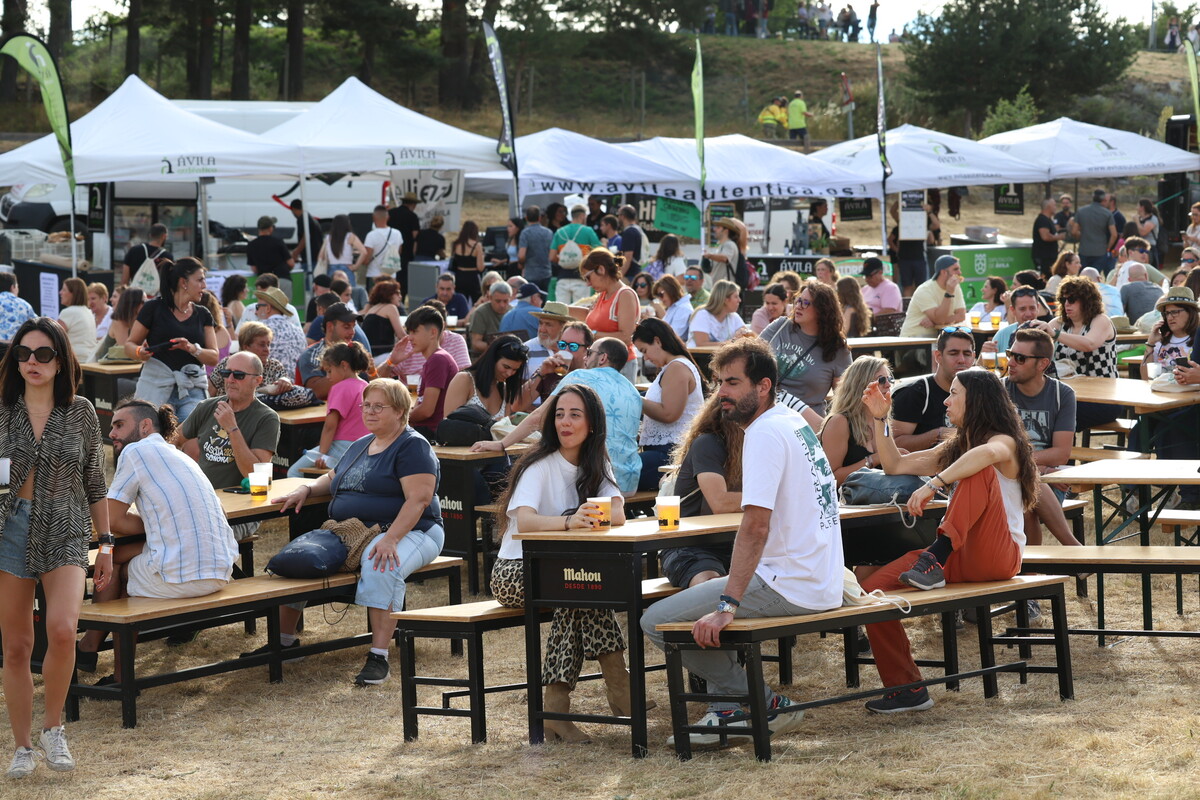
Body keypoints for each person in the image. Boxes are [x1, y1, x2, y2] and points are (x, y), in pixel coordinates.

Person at [640, 337, 841, 745]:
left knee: (655, 622)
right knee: (703, 601)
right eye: (717, 383)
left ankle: (764, 705)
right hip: (817, 578)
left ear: (763, 386)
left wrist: (726, 606)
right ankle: (729, 715)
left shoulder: (765, 433)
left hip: (790, 582)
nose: (720, 395)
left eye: (732, 383)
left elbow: (755, 527)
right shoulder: (793, 422)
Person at [858, 367, 1040, 713]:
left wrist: (934, 483)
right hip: (956, 557)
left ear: (977, 401)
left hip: (997, 557)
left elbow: (986, 456)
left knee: (978, 467)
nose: (946, 399)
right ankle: (907, 689)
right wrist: (883, 420)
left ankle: (934, 557)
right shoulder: (959, 447)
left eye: (954, 393)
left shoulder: (1004, 442)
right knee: (873, 594)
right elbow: (894, 465)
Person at [274, 379, 444, 686]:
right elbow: (332, 476)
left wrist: (391, 539)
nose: (370, 411)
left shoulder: (412, 445)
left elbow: (418, 500)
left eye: (379, 406)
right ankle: (285, 643)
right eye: (366, 405)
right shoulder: (360, 444)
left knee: (380, 562)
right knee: (296, 558)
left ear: (401, 410)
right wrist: (306, 488)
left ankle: (379, 657)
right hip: (351, 531)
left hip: (412, 530)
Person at [488, 384, 631, 741]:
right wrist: (571, 520)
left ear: (592, 424)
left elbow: (618, 513)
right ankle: (621, 688)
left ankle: (556, 710)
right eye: (560, 414)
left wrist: (592, 513)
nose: (565, 422)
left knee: (578, 590)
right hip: (512, 571)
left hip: (559, 571)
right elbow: (524, 520)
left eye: (575, 415)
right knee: (577, 587)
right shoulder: (539, 463)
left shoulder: (596, 460)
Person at [0, 318, 108, 777]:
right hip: (10, 528)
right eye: (24, 354)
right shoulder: (2, 412)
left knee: (63, 630)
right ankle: (23, 745)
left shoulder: (80, 410)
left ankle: (53, 728)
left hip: (66, 526)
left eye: (43, 354)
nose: (32, 363)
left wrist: (105, 544)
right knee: (17, 646)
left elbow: (95, 481)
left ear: (61, 360)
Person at [75, 399, 239, 679]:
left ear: (145, 426)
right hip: (221, 571)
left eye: (119, 425)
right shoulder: (181, 456)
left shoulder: (137, 451)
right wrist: (156, 523)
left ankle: (117, 674)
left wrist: (152, 524)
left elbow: (111, 520)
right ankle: (90, 647)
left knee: (117, 566)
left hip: (181, 578)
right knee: (116, 556)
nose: (112, 433)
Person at [476, 331, 644, 494]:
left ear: (602, 358)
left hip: (595, 482)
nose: (585, 357)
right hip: (629, 482)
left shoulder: (580, 376)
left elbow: (538, 417)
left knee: (526, 468)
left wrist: (502, 444)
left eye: (590, 352)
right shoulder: (632, 390)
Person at [1002, 328, 1082, 554]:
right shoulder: (999, 390)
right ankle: (1073, 551)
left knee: (1025, 493)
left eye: (1020, 358)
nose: (1011, 362)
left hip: (1048, 481)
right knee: (1024, 492)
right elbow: (990, 448)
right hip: (1012, 475)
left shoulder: (1062, 394)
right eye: (1010, 354)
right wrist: (1038, 466)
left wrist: (1030, 465)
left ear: (1042, 364)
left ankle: (1030, 571)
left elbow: (1061, 453)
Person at [658, 393, 745, 589]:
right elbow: (720, 502)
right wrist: (771, 497)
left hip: (739, 545)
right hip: (690, 547)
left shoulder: (760, 446)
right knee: (712, 587)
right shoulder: (708, 443)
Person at [126, 258, 219, 422]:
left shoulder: (203, 314)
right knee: (153, 434)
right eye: (200, 280)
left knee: (190, 435)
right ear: (184, 282)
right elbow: (130, 345)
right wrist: (139, 352)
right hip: (156, 386)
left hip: (191, 388)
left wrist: (192, 348)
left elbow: (213, 357)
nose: (204, 286)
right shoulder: (153, 308)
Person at [178, 350, 280, 490]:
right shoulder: (207, 407)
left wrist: (232, 428)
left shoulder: (267, 418)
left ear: (257, 381)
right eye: (226, 373)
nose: (230, 380)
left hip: (239, 503)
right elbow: (172, 440)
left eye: (239, 375)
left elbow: (255, 475)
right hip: (204, 496)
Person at [1032, 276, 1119, 429]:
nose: (1067, 304)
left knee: (1054, 413)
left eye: (1072, 299)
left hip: (1104, 399)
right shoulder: (1059, 323)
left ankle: (1058, 451)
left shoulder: (1100, 320)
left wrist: (1055, 334)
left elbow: (1089, 344)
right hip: (1070, 396)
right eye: (1063, 299)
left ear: (1087, 301)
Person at [760, 278, 851, 416]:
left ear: (822, 310)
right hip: (769, 411)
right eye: (798, 300)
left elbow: (844, 398)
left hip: (807, 420)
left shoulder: (838, 348)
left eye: (806, 303)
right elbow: (752, 357)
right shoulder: (781, 326)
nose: (799, 306)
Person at [633, 318, 704, 490]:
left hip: (670, 453)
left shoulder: (677, 367)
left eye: (645, 350)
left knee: (616, 475)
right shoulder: (672, 367)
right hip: (663, 451)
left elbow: (669, 414)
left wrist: (633, 398)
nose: (646, 357)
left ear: (657, 341)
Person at [287, 343, 371, 477]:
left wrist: (322, 454)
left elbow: (329, 427)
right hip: (365, 448)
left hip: (342, 447)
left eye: (329, 371)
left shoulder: (339, 387)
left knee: (293, 473)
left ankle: (299, 497)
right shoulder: (366, 386)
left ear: (344, 365)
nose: (327, 376)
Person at [891, 326, 975, 451]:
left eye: (967, 354)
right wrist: (938, 435)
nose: (961, 360)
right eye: (953, 353)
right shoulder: (914, 393)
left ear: (974, 357)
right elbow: (894, 444)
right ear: (938, 356)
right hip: (921, 467)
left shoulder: (979, 391)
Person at [819, 356, 892, 484]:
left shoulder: (881, 419)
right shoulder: (839, 422)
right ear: (861, 385)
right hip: (846, 501)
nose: (888, 384)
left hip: (878, 499)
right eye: (881, 380)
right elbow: (829, 478)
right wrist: (874, 459)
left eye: (889, 379)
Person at [577, 249, 640, 376]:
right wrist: (558, 309)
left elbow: (626, 337)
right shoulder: (603, 294)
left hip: (620, 366)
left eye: (588, 277)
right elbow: (588, 316)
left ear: (601, 269)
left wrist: (592, 334)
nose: (588, 284)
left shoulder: (625, 294)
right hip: (600, 364)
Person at [209, 321, 295, 400]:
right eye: (262, 345)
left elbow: (285, 383)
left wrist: (285, 381)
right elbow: (209, 394)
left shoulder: (274, 366)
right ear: (246, 347)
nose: (267, 350)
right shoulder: (228, 364)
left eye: (268, 344)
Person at [298, 302, 359, 401]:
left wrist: (389, 362)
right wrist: (346, 369)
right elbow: (315, 391)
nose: (352, 332)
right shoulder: (311, 354)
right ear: (330, 326)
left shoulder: (355, 350)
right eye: (347, 327)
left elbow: (373, 383)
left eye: (353, 326)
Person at [900, 254, 966, 339]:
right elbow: (940, 320)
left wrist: (935, 322)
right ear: (944, 272)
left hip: (936, 340)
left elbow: (961, 316)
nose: (960, 273)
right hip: (913, 340)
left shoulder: (955, 287)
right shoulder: (925, 290)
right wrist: (949, 293)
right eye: (955, 269)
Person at [550, 205, 603, 304]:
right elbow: (599, 252)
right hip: (581, 278)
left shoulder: (559, 232)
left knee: (561, 314)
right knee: (580, 312)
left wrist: (564, 261)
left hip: (562, 278)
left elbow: (552, 257)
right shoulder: (588, 231)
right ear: (583, 216)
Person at [253, 286, 307, 377]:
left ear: (268, 308)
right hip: (296, 386)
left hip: (269, 385)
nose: (255, 312)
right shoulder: (299, 331)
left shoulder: (260, 329)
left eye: (258, 307)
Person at [356, 205, 403, 295]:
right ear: (388, 217)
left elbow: (366, 260)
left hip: (374, 275)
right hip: (391, 274)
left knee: (374, 303)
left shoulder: (371, 235)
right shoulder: (397, 234)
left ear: (373, 218)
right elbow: (399, 252)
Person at [246, 216, 296, 299]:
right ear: (270, 228)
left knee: (267, 309)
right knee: (284, 309)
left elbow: (254, 269)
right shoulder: (278, 242)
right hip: (282, 278)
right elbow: (291, 263)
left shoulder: (251, 245)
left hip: (264, 283)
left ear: (259, 229)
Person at [981, 286, 1041, 355]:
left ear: (1038, 308)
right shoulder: (1002, 335)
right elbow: (986, 364)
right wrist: (983, 354)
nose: (1028, 314)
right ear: (1013, 310)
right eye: (1022, 309)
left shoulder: (1047, 333)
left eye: (1032, 308)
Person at [687, 280, 748, 348]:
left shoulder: (733, 316)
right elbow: (701, 344)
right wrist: (732, 342)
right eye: (736, 296)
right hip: (699, 357)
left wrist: (744, 333)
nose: (739, 300)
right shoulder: (702, 315)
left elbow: (751, 337)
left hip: (722, 357)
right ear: (725, 299)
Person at [1069, 189, 1118, 272]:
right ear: (1103, 200)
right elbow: (1114, 234)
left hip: (1084, 250)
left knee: (1083, 277)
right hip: (1100, 251)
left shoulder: (1081, 211)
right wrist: (1107, 248)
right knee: (1095, 276)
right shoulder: (1107, 213)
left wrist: (1081, 237)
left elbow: (1074, 231)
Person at [523, 301, 572, 376]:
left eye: (548, 325)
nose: (542, 329)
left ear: (563, 327)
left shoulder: (572, 348)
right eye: (541, 323)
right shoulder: (527, 349)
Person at [359, 279, 406, 357]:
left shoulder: (372, 309)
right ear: (389, 294)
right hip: (382, 356)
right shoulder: (390, 307)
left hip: (369, 357)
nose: (400, 297)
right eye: (397, 293)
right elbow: (401, 336)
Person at [120, 222, 173, 287]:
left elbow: (124, 280)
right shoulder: (167, 256)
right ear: (164, 236)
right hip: (156, 295)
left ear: (150, 235)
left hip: (135, 294)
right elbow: (168, 282)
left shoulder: (134, 251)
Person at [467, 281, 513, 356]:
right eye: (498, 301)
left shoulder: (513, 312)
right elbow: (476, 343)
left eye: (505, 301)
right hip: (486, 356)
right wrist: (499, 348)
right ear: (490, 298)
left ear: (510, 299)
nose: (502, 305)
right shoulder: (480, 313)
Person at [56, 277, 96, 364]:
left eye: (64, 290)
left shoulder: (68, 312)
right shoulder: (88, 311)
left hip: (75, 361)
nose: (60, 292)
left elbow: (55, 337)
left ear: (73, 293)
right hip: (90, 360)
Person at [388, 191, 422, 284]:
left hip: (388, 253)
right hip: (406, 254)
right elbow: (415, 235)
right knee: (403, 281)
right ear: (413, 204)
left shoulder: (390, 213)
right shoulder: (413, 216)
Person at [447, 220, 486, 302]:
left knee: (460, 301)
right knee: (477, 302)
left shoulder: (456, 244)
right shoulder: (477, 245)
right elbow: (480, 268)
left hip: (459, 276)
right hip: (472, 277)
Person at [518, 205, 554, 292]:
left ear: (526, 218)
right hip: (546, 273)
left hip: (531, 273)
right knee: (546, 301)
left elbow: (521, 255)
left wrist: (521, 264)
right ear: (539, 218)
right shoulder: (549, 232)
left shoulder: (525, 233)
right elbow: (552, 253)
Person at [1031, 197, 1067, 277]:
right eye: (1054, 205)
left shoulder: (1049, 220)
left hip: (1050, 257)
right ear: (1048, 207)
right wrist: (1060, 237)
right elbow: (1045, 237)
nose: (1056, 207)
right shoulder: (1042, 220)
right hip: (1043, 257)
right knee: (1044, 279)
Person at [288, 199, 324, 275]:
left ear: (293, 209)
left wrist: (296, 252)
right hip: (316, 256)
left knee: (308, 282)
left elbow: (306, 237)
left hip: (310, 258)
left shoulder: (302, 219)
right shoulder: (311, 218)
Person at [0, 272, 37, 343]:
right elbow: (36, 324)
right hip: (14, 346)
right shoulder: (25, 305)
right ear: (12, 287)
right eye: (17, 286)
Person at [705, 219, 742, 285]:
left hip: (725, 287)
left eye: (718, 227)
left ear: (726, 231)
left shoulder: (729, 244)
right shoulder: (720, 246)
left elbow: (724, 258)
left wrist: (709, 256)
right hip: (719, 286)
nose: (714, 229)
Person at [616, 205, 646, 277]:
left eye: (618, 215)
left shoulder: (629, 232)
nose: (618, 218)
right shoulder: (637, 229)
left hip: (630, 274)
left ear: (623, 216)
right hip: (636, 271)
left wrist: (619, 276)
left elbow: (628, 257)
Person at [1136, 198, 1163, 269]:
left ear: (1142, 207)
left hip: (1149, 248)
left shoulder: (1152, 219)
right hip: (1139, 247)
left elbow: (1143, 232)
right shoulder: (1140, 219)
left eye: (1138, 206)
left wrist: (1137, 222)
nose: (1137, 208)